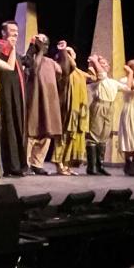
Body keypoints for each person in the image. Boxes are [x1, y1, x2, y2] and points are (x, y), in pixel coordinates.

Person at [24, 34, 63, 174]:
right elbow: (34, 69)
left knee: (46, 132)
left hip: (48, 100)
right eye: (38, 40)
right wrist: (38, 51)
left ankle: (37, 163)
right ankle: (26, 163)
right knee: (32, 131)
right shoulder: (29, 60)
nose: (39, 42)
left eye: (42, 40)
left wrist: (63, 52)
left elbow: (64, 71)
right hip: (34, 99)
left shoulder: (51, 62)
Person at [0, 22, 28, 176]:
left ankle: (18, 165)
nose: (15, 34)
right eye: (11, 31)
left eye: (16, 31)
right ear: (3, 32)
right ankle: (11, 166)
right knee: (9, 128)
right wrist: (11, 48)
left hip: (17, 95)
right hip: (7, 93)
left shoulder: (14, 51)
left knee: (17, 128)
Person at [84, 54, 123, 177]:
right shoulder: (96, 79)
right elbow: (101, 75)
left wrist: (132, 74)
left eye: (105, 64)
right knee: (94, 135)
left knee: (104, 137)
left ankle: (100, 165)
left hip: (110, 107)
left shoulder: (112, 82)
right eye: (102, 64)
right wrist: (95, 61)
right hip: (99, 105)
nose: (104, 65)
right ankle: (92, 167)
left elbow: (129, 88)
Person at [55, 45, 89, 176]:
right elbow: (71, 65)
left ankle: (67, 165)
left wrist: (95, 63)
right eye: (66, 54)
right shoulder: (62, 70)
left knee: (73, 138)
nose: (68, 55)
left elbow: (95, 78)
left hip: (78, 110)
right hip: (66, 108)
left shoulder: (80, 73)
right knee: (63, 136)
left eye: (71, 53)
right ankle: (59, 164)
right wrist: (64, 52)